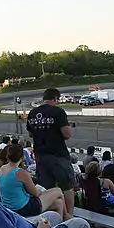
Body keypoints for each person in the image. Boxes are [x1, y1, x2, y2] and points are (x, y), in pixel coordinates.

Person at [26, 88, 77, 220]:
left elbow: (31, 134)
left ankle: (52, 216)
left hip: (40, 155)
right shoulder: (57, 112)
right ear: (55, 99)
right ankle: (69, 216)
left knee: (47, 188)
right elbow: (67, 135)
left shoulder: (32, 113)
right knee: (67, 185)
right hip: (58, 154)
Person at [0, 142, 67, 218]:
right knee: (58, 191)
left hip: (10, 207)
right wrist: (41, 191)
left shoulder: (2, 169)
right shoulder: (21, 173)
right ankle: (66, 215)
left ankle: (59, 223)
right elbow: (36, 193)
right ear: (22, 157)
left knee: (59, 203)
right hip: (23, 208)